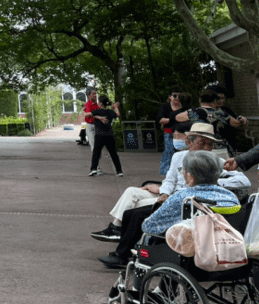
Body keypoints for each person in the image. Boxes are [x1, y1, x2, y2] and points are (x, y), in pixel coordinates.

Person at [95, 122, 247, 268]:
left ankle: (122, 254)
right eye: (203, 143)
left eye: (210, 144)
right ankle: (122, 243)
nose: (207, 147)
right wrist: (164, 193)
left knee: (137, 216)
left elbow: (243, 180)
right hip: (178, 197)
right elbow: (169, 179)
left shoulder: (215, 161)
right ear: (189, 142)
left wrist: (213, 182)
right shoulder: (179, 157)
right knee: (130, 208)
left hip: (187, 203)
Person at [139, 150, 239, 237]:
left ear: (191, 177)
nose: (182, 173)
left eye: (184, 170)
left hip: (191, 249)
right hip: (223, 244)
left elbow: (148, 227)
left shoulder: (182, 198)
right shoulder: (230, 196)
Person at [156, 87, 188, 175]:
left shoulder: (184, 107)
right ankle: (165, 172)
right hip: (169, 133)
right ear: (170, 97)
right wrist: (173, 119)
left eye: (179, 96)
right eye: (174, 95)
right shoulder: (165, 106)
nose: (177, 98)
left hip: (182, 134)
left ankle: (180, 171)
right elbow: (160, 120)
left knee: (182, 152)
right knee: (169, 152)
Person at [89, 95, 123, 177]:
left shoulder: (97, 111)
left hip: (99, 135)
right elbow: (117, 114)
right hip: (109, 135)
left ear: (100, 103)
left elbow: (87, 115)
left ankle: (93, 169)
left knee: (96, 152)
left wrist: (97, 117)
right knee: (113, 153)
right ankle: (119, 171)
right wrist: (115, 107)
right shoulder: (110, 112)